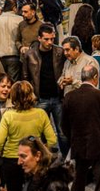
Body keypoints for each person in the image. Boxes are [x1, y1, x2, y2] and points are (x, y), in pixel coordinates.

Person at [0, 81, 57, 191]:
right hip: (33, 160)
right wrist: (41, 151)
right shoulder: (41, 114)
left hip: (11, 160)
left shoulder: (8, 115)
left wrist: (3, 151)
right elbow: (52, 140)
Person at [21, 23, 68, 155]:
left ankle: (66, 159)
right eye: (46, 39)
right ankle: (42, 159)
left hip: (57, 97)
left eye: (52, 39)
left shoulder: (59, 52)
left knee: (62, 132)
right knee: (39, 133)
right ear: (39, 38)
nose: (50, 42)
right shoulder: (30, 54)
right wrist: (31, 95)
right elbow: (25, 76)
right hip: (40, 97)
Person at [0, 0, 23, 81]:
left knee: (0, 82)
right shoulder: (20, 20)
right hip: (15, 56)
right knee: (13, 83)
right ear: (14, 8)